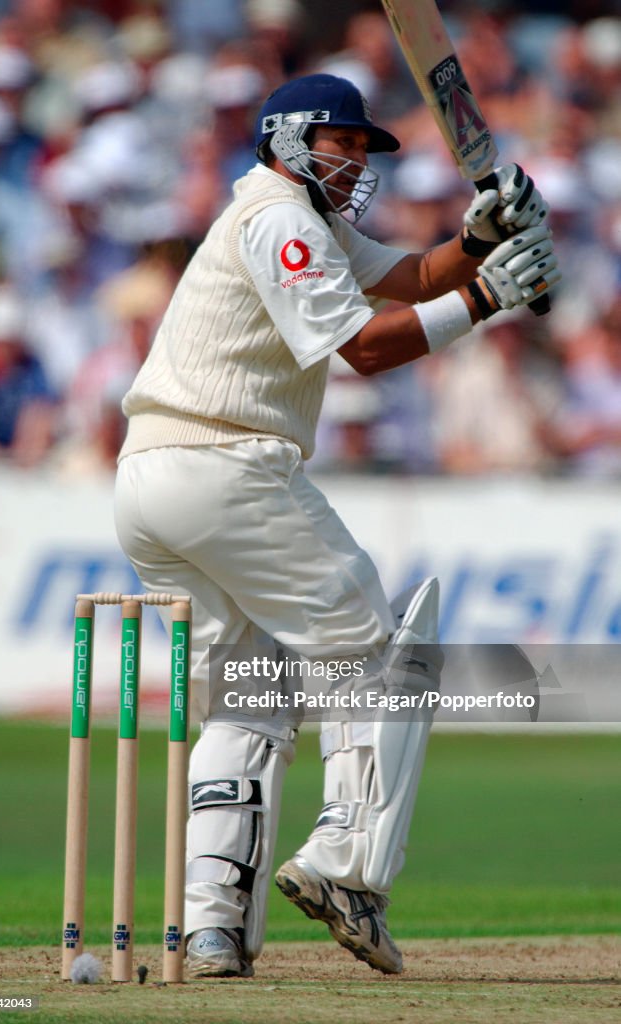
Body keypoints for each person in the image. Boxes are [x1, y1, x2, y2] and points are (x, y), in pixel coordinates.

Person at [113, 73, 560, 979]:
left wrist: (477, 242)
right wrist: (486, 302)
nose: (355, 161)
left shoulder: (297, 218)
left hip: (152, 479)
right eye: (342, 143)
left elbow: (411, 275)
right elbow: (362, 346)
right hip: (222, 463)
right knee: (370, 645)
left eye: (363, 149)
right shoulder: (276, 216)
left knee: (249, 687)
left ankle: (211, 927)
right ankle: (347, 867)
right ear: (284, 137)